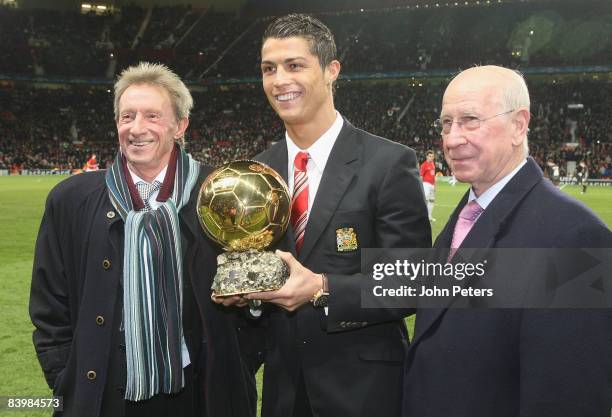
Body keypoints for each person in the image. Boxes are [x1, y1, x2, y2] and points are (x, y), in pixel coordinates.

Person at [224, 13, 431, 417]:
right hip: (284, 391)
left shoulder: (388, 163)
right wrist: (245, 297)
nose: (279, 80)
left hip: (364, 392)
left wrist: (322, 287)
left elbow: (410, 282)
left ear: (331, 71)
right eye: (269, 69)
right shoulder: (256, 173)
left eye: (294, 65)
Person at [30, 62, 253, 417]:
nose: (137, 128)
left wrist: (235, 367)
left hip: (199, 393)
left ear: (180, 125)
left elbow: (257, 298)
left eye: (152, 116)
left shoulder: (223, 193)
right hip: (104, 393)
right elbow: (50, 307)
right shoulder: (70, 200)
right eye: (127, 116)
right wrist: (66, 378)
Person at [402, 65, 612, 417]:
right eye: (446, 123)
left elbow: (567, 397)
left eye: (470, 119)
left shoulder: (573, 236)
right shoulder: (468, 213)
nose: (452, 139)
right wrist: (324, 286)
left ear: (518, 125)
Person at [420, 150, 436, 221]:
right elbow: (421, 176)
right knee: (425, 201)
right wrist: (421, 186)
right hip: (426, 184)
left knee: (432, 200)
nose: (431, 158)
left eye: (432, 156)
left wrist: (435, 185)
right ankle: (422, 216)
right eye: (430, 156)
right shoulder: (424, 165)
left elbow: (433, 176)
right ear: (427, 156)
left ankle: (429, 216)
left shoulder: (433, 164)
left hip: (432, 185)